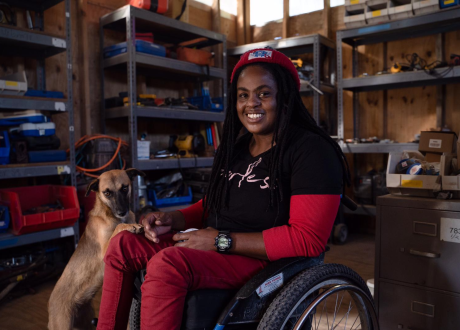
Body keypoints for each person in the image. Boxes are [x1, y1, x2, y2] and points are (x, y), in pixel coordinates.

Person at [96, 47, 350, 330]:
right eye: (243, 95)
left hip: (261, 260)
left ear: (285, 96)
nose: (251, 104)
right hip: (217, 245)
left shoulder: (311, 151)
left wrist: (220, 241)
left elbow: (307, 240)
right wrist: (174, 219)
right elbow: (213, 206)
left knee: (169, 264)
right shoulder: (236, 148)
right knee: (122, 245)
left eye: (263, 94)